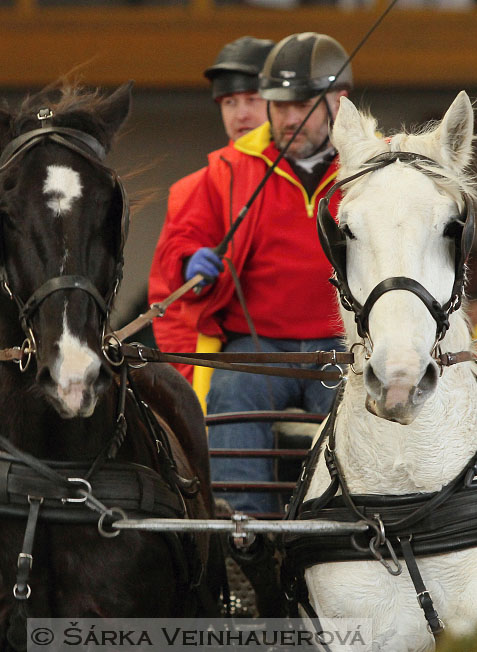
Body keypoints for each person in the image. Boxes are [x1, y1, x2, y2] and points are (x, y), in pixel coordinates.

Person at [151, 32, 352, 514]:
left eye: (299, 106)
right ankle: (242, 530)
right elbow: (180, 243)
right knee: (234, 387)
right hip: (258, 344)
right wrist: (188, 261)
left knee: (361, 404)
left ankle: (347, 521)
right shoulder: (228, 169)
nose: (286, 118)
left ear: (337, 103)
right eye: (278, 105)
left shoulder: (372, 164)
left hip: (341, 346)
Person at [148, 36, 274, 382]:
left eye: (253, 99)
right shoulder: (193, 189)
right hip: (226, 359)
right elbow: (167, 302)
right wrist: (194, 380)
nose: (241, 114)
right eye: (229, 102)